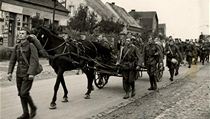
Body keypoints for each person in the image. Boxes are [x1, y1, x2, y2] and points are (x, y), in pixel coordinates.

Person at [7, 27, 38, 119]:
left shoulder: (31, 46)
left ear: (27, 35)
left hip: (28, 74)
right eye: (19, 33)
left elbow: (34, 61)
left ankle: (33, 107)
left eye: (23, 33)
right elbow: (12, 60)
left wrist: (31, 73)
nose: (20, 35)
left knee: (24, 93)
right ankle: (26, 113)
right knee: (21, 93)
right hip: (19, 73)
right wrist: (9, 72)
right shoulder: (17, 46)